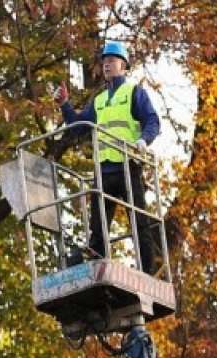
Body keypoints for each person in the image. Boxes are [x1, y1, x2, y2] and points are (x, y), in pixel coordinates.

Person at [52, 41, 161, 274]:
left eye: (112, 61)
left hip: (127, 166)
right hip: (104, 170)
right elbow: (78, 128)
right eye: (104, 62)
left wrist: (144, 140)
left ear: (123, 66)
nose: (107, 65)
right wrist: (65, 105)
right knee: (98, 226)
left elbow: (152, 120)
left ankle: (147, 270)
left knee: (139, 220)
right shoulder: (100, 100)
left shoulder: (134, 92)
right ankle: (96, 265)